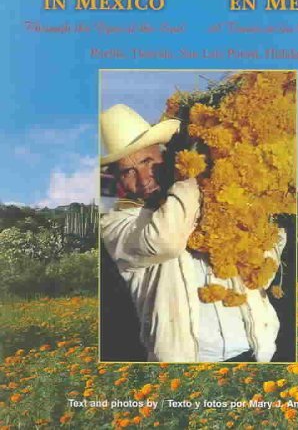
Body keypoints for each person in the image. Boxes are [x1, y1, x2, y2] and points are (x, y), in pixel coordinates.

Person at [100, 104, 286, 362]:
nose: (143, 178)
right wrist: (190, 173)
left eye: (147, 161)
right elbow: (166, 241)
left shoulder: (215, 195)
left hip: (256, 352)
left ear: (164, 155)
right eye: (128, 171)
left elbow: (266, 261)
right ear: (118, 180)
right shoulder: (116, 225)